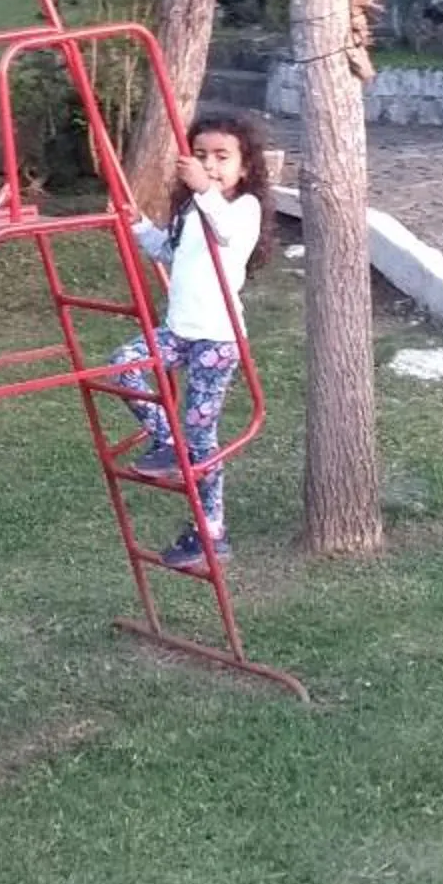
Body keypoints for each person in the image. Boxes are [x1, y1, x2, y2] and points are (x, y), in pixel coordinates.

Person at [116, 115, 270, 572]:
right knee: (123, 364)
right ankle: (168, 441)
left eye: (223, 158)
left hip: (217, 338)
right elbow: (169, 251)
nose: (210, 165)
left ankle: (211, 532)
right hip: (179, 329)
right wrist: (140, 225)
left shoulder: (243, 209)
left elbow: (225, 234)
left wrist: (205, 190)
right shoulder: (191, 209)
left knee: (204, 438)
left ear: (244, 169)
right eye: (201, 155)